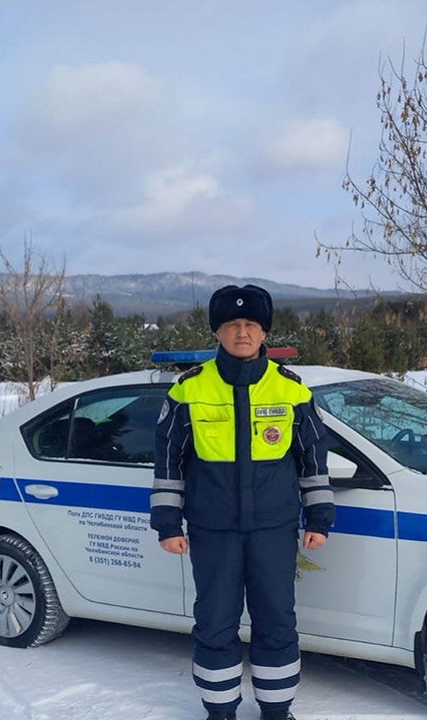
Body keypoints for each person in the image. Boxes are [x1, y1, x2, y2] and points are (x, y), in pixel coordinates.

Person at [152, 284, 335, 720]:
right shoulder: (188, 389)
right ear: (217, 332)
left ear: (263, 331)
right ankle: (220, 712)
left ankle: (277, 711)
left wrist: (319, 517)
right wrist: (168, 523)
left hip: (273, 528)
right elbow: (168, 460)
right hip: (213, 530)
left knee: (277, 622)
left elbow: (312, 457)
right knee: (215, 622)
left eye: (251, 324)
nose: (242, 332)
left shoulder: (291, 389)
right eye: (232, 324)